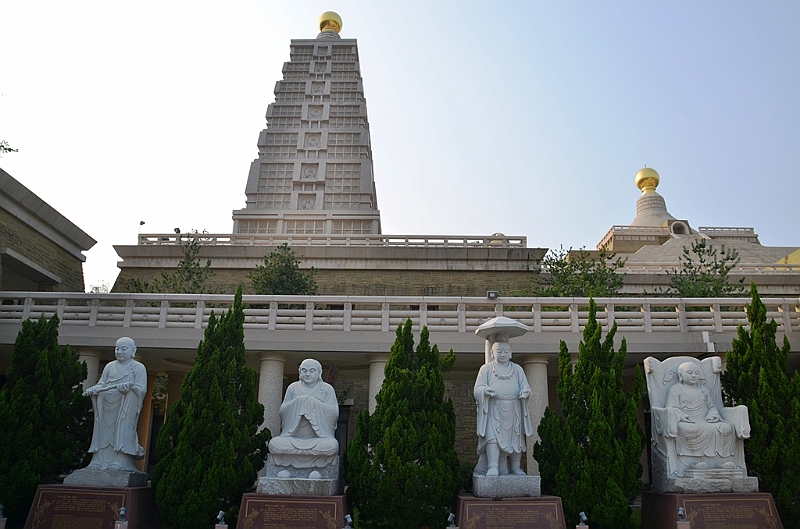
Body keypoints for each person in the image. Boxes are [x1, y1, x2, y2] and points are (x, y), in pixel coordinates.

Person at [84, 337, 147, 471]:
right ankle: (98, 459)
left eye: (124, 349)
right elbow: (103, 383)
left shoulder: (138, 368)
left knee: (123, 430)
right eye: (117, 348)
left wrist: (130, 389)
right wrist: (96, 389)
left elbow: (141, 389)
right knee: (102, 431)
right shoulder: (109, 366)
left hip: (125, 406)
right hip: (107, 404)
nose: (119, 352)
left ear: (133, 350)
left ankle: (121, 459)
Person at [268, 359, 339, 477]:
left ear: (319, 372)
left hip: (317, 439)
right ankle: (290, 469)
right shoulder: (293, 388)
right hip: (293, 438)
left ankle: (310, 471)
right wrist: (298, 402)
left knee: (331, 445)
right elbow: (283, 411)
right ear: (299, 371)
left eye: (312, 371)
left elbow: (334, 413)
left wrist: (313, 403)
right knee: (275, 444)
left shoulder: (326, 389)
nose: (307, 374)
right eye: (304, 370)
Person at [474, 339, 533, 476]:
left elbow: (526, 386)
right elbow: (478, 388)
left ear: (511, 353)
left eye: (506, 351)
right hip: (494, 407)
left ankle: (516, 467)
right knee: (492, 437)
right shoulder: (487, 369)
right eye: (499, 351)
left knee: (516, 440)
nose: (503, 354)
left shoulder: (517, 369)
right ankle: (493, 466)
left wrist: (525, 392)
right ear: (492, 353)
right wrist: (485, 391)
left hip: (514, 408)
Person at [666, 361, 734, 461]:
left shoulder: (703, 390)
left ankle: (722, 460)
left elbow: (711, 406)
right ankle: (695, 461)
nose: (694, 376)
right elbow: (671, 408)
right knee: (687, 429)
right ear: (680, 375)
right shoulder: (675, 390)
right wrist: (681, 416)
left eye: (696, 373)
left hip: (706, 420)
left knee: (726, 428)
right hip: (688, 421)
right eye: (690, 373)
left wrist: (713, 414)